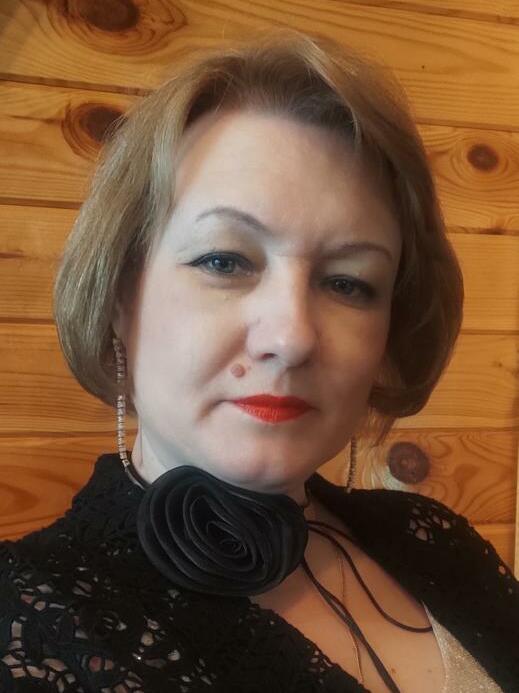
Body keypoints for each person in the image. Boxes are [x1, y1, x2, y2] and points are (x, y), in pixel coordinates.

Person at [0, 27, 517, 693]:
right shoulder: (32, 622)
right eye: (224, 261)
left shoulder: (435, 541)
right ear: (119, 296)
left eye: (349, 282)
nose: (292, 336)